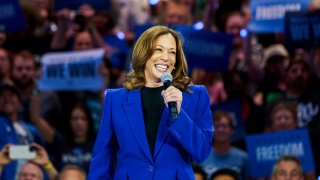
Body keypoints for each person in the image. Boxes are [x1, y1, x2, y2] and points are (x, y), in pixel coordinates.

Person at [88, 25, 214, 179]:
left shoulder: (195, 95)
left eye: (172, 52)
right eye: (159, 49)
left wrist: (179, 116)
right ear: (143, 53)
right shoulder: (115, 99)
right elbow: (102, 158)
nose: (166, 57)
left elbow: (201, 152)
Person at [199, 111, 250, 180]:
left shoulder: (243, 158)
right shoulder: (201, 158)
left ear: (231, 130)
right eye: (217, 126)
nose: (220, 130)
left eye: (224, 126)